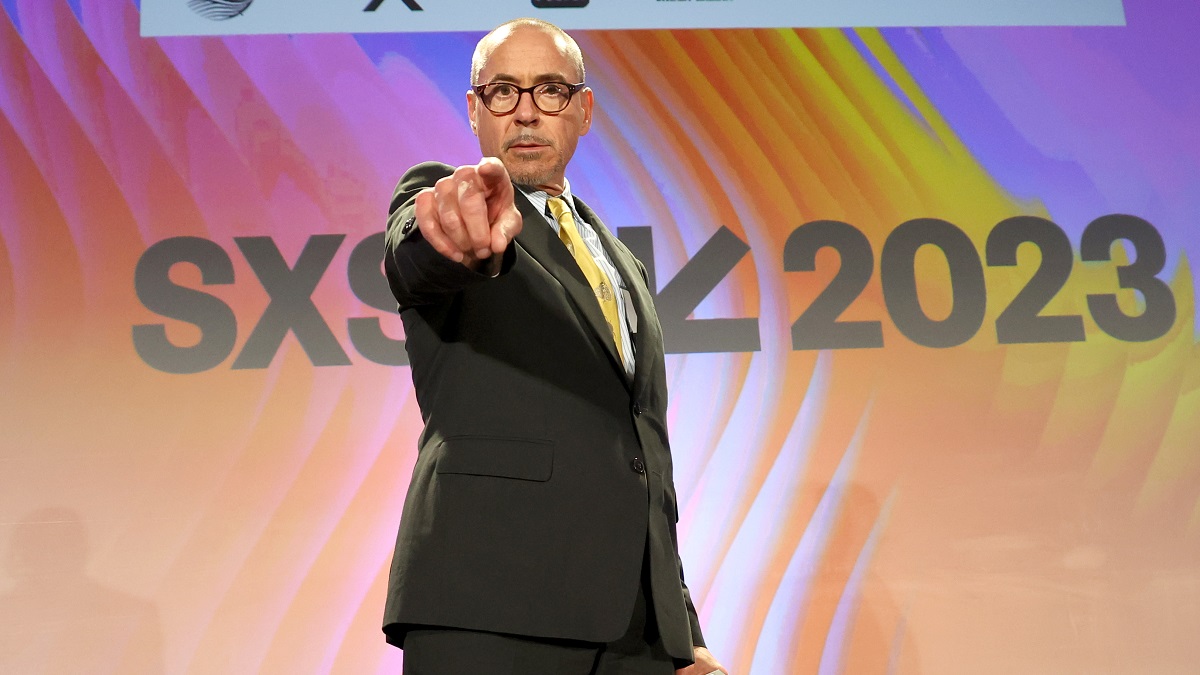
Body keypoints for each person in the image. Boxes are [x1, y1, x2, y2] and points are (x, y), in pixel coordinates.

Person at [382, 18, 728, 675]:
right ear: (474, 110)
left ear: (584, 109)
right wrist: (450, 239)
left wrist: (680, 629)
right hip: (488, 610)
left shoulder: (622, 260)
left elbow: (641, 454)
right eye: (503, 91)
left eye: (550, 90)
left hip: (634, 632)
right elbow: (416, 252)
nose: (526, 112)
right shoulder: (455, 202)